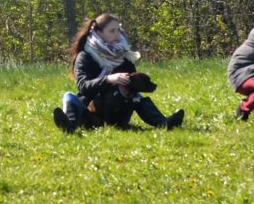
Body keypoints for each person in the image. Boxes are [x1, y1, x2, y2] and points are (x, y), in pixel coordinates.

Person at [55, 13, 186, 131]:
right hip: (91, 112)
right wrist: (109, 79)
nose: (117, 35)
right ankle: (69, 125)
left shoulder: (124, 54)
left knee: (137, 95)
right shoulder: (85, 55)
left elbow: (134, 83)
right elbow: (83, 86)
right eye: (112, 31)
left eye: (118, 30)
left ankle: (163, 123)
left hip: (118, 108)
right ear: (99, 33)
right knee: (69, 96)